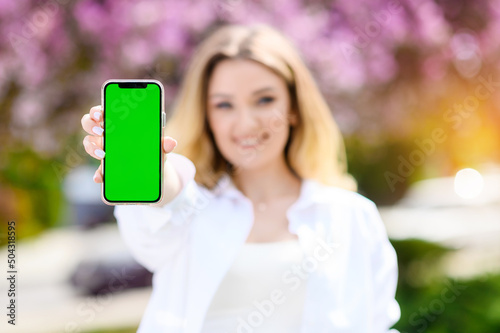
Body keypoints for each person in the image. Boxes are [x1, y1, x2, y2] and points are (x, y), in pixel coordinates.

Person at [81, 23, 401, 333]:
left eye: (265, 100)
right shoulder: (192, 209)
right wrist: (152, 168)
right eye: (224, 105)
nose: (246, 123)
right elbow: (167, 207)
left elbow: (377, 325)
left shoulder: (351, 216)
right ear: (208, 118)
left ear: (294, 107)